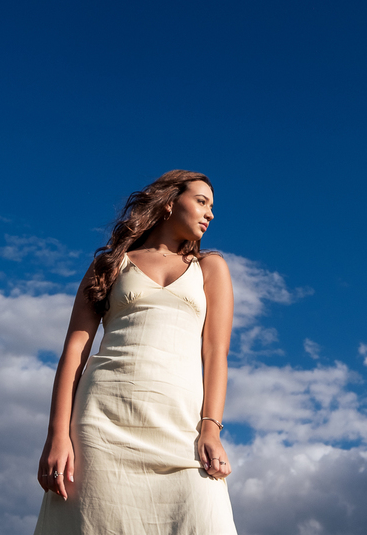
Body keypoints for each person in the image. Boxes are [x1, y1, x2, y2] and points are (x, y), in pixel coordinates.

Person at [33, 170, 238, 534]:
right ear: (170, 202)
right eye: (201, 201)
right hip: (102, 423)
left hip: (182, 428)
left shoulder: (210, 268)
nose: (210, 214)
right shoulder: (109, 265)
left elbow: (216, 354)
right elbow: (74, 352)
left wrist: (211, 429)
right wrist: (57, 435)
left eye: (212, 207)